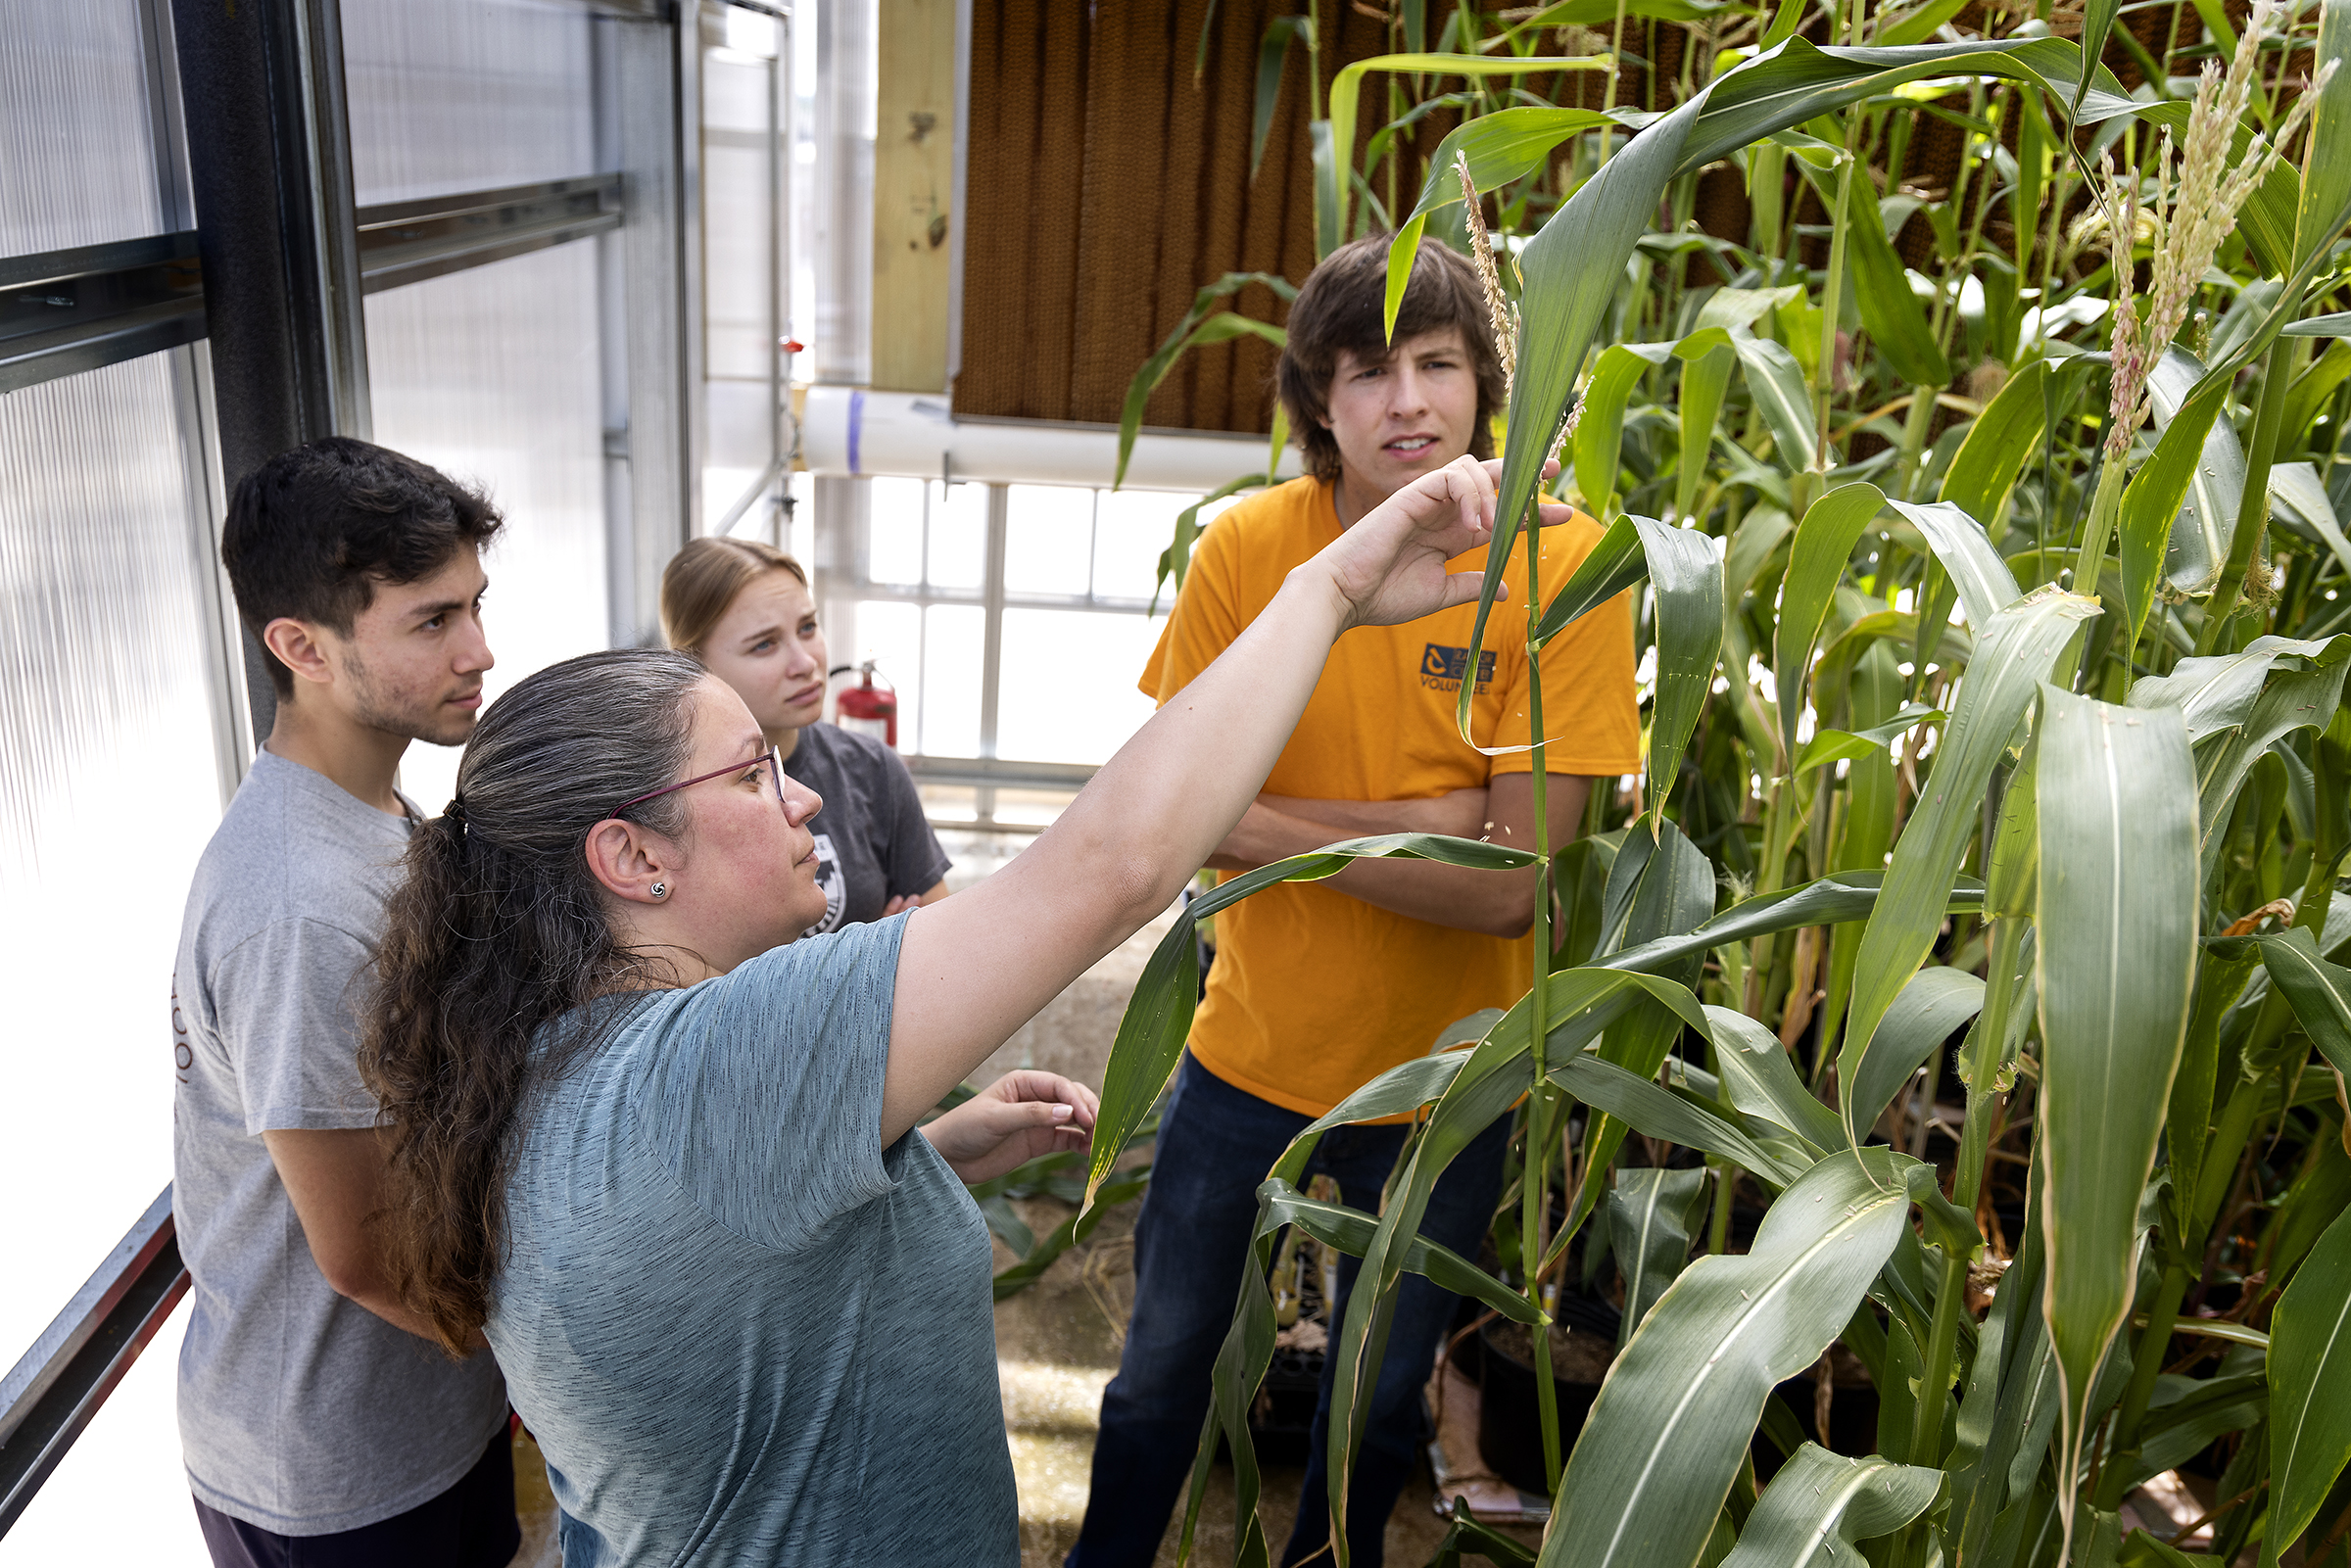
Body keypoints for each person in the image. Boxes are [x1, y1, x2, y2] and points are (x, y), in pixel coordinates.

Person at [356, 451, 1559, 1566]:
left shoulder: (546, 1063)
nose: (806, 804)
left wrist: (929, 1151)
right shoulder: (728, 1055)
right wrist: (1338, 580)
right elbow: (1114, 867)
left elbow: (715, 1276)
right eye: (752, 772)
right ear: (629, 855)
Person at [1068, 235, 1642, 1568]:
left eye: (1440, 364)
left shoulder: (1569, 568)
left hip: (1447, 1086)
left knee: (1377, 1404)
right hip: (1244, 1051)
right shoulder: (1250, 550)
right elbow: (1168, 807)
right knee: (1161, 1373)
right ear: (1315, 401)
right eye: (1369, 371)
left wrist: (1259, 817)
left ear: (1488, 386)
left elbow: (1512, 895)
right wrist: (1434, 818)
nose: (1410, 402)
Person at [170, 438, 517, 1567]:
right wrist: (582, 1367)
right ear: (299, 646)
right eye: (430, 621)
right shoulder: (300, 907)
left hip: (422, 1419)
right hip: (337, 1480)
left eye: (474, 604)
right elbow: (367, 1255)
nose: (480, 649)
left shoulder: (376, 818)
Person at [661, 536, 949, 931]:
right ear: (693, 663)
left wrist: (909, 946)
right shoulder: (666, 800)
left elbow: (937, 935)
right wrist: (873, 954)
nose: (805, 662)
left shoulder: (873, 769)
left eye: (808, 627)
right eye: (764, 644)